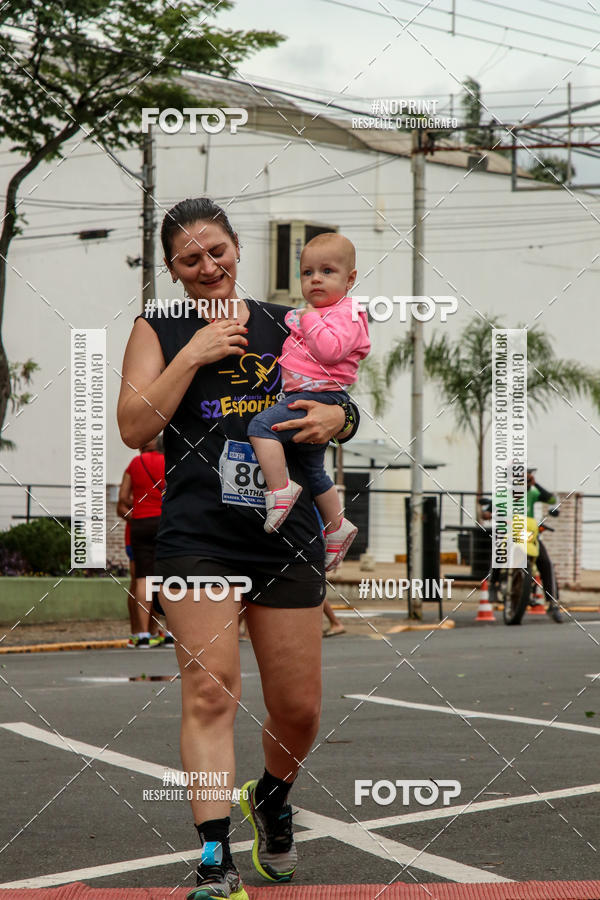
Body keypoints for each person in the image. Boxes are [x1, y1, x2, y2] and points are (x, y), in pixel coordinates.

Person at [117, 197, 360, 900]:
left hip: (283, 534)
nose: (208, 266)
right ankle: (215, 859)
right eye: (190, 259)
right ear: (172, 268)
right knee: (211, 690)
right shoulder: (158, 327)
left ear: (235, 249)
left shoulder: (287, 322)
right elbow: (136, 425)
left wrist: (337, 418)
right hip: (198, 538)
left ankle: (274, 797)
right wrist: (192, 353)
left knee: (298, 709)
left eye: (217, 250)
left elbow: (343, 401)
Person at [247, 233, 369, 572]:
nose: (315, 278)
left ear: (350, 279)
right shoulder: (320, 312)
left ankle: (280, 490)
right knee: (315, 470)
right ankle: (336, 524)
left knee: (259, 427)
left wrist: (308, 318)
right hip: (309, 394)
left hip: (318, 395)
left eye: (327, 271)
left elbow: (330, 350)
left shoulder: (344, 313)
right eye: (307, 272)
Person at [117, 439, 167, 647]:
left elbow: (122, 497)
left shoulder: (135, 464)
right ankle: (171, 631)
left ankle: (143, 635)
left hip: (140, 523)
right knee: (167, 578)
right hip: (166, 522)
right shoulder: (170, 461)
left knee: (143, 578)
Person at [526, 467, 562, 623]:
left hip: (528, 535)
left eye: (528, 477)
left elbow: (552, 500)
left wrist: (536, 484)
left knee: (546, 563)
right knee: (498, 551)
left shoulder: (533, 493)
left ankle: (552, 603)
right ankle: (493, 585)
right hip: (510, 533)